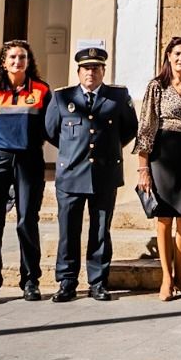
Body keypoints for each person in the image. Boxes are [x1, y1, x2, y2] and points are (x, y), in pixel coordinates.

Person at [44, 47, 137, 302]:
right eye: (86, 68)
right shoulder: (62, 98)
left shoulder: (117, 97)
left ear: (103, 71)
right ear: (78, 71)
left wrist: (109, 152)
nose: (91, 73)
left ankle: (98, 281)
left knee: (100, 231)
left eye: (96, 68)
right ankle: (67, 281)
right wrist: (72, 152)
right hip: (71, 174)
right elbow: (52, 131)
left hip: (104, 174)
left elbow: (129, 129)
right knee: (68, 231)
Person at [0, 39, 51, 305]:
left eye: (22, 57)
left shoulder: (42, 90)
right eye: (13, 58)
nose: (18, 62)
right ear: (3, 62)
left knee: (27, 220)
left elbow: (49, 126)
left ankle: (30, 282)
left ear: (28, 61)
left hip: (29, 160)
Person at [134, 36, 181, 300]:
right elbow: (146, 128)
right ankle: (166, 279)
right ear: (168, 56)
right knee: (164, 219)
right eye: (176, 53)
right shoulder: (157, 86)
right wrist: (143, 168)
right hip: (162, 157)